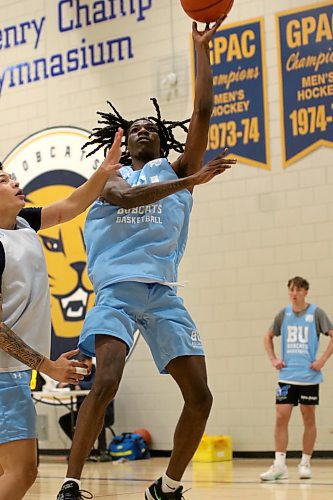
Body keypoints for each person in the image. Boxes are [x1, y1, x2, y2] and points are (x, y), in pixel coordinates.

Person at [56, 17, 236, 500]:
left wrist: (201, 48)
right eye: (134, 127)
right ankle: (71, 484)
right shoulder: (108, 177)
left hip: (162, 294)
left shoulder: (177, 166)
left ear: (161, 142)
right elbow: (127, 201)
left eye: (150, 127)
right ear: (124, 139)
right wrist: (191, 183)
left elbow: (200, 108)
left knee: (201, 397)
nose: (142, 129)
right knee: (107, 379)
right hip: (115, 293)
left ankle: (169, 486)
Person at [0, 132, 122, 500]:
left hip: (10, 371)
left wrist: (104, 170)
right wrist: (46, 365)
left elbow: (69, 205)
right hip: (4, 373)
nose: (14, 181)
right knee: (22, 472)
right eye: (3, 181)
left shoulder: (23, 224)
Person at [260, 276, 333, 481]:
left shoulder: (316, 313)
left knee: (308, 417)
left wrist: (322, 360)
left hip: (309, 377)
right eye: (291, 290)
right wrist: (274, 359)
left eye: (298, 290)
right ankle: (280, 465)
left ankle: (305, 462)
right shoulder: (283, 314)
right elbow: (267, 336)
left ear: (305, 292)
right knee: (281, 416)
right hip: (287, 376)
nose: (294, 293)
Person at [58, 354, 113, 462]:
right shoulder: (78, 373)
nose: (82, 363)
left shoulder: (99, 372)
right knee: (64, 420)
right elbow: (67, 384)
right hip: (82, 411)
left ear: (90, 361)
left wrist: (79, 384)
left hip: (101, 410)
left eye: (84, 360)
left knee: (96, 417)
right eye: (80, 361)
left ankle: (102, 451)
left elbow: (96, 385)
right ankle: (82, 449)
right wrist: (65, 383)